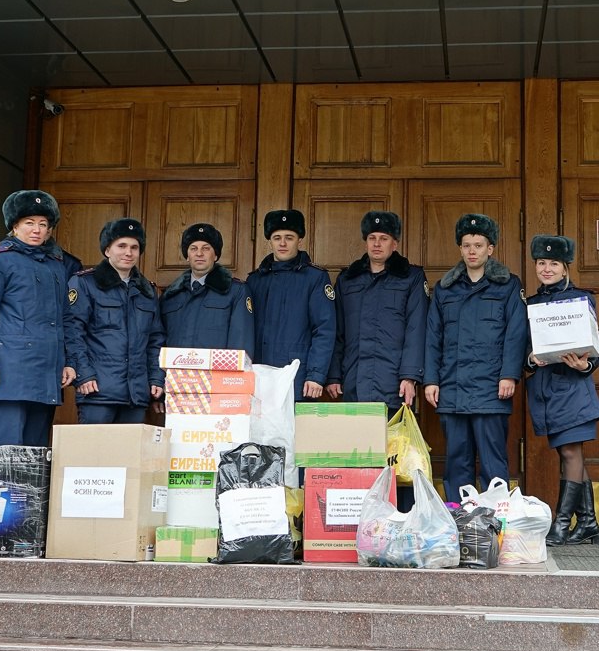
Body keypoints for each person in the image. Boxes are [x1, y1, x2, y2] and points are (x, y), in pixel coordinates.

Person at [326, 211, 428, 512]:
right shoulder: (348, 279)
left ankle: (401, 516)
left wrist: (410, 377)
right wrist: (334, 375)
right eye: (372, 238)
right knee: (359, 457)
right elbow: (338, 332)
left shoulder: (410, 277)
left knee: (396, 457)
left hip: (394, 383)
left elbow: (416, 329)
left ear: (394, 243)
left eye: (384, 239)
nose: (377, 244)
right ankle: (362, 518)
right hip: (356, 381)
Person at [424, 213, 528, 502]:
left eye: (478, 245)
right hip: (452, 387)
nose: (472, 251)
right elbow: (433, 337)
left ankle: (496, 523)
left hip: (491, 389)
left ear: (490, 249)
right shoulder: (445, 289)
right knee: (457, 461)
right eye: (467, 245)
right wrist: (431, 380)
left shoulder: (507, 285)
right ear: (460, 248)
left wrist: (509, 374)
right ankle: (458, 520)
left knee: (494, 462)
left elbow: (516, 334)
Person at [0, 189, 78, 447]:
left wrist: (70, 361)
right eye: (29, 223)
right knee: (5, 457)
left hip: (46, 376)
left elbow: (65, 319)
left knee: (34, 461)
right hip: (8, 375)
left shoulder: (56, 264)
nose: (36, 229)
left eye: (43, 224)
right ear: (15, 226)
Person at [525, 235, 599, 545]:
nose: (547, 269)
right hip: (546, 389)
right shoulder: (530, 303)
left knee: (571, 450)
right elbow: (525, 349)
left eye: (553, 263)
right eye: (541, 263)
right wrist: (531, 358)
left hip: (573, 387)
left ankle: (560, 525)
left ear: (564, 267)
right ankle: (588, 523)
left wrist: (585, 365)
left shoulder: (582, 299)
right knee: (566, 451)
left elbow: (597, 349)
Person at [66, 218, 165, 424]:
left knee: (129, 456)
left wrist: (156, 378)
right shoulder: (84, 283)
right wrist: (83, 375)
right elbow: (73, 332)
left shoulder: (146, 290)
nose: (128, 253)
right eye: (121, 246)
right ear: (107, 249)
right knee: (94, 455)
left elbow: (155, 339)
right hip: (97, 392)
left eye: (134, 247)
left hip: (136, 395)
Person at [246, 209, 336, 401]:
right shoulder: (255, 281)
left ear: (299, 240)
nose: (283, 243)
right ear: (270, 241)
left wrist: (316, 375)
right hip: (259, 377)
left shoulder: (315, 278)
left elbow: (324, 329)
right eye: (277, 237)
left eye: (289, 237)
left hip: (299, 379)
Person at [160, 222, 253, 354]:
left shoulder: (236, 291)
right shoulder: (170, 295)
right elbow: (158, 342)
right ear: (187, 256)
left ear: (215, 255)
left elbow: (241, 345)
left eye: (206, 248)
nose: (199, 253)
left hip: (217, 374)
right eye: (193, 248)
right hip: (176, 373)